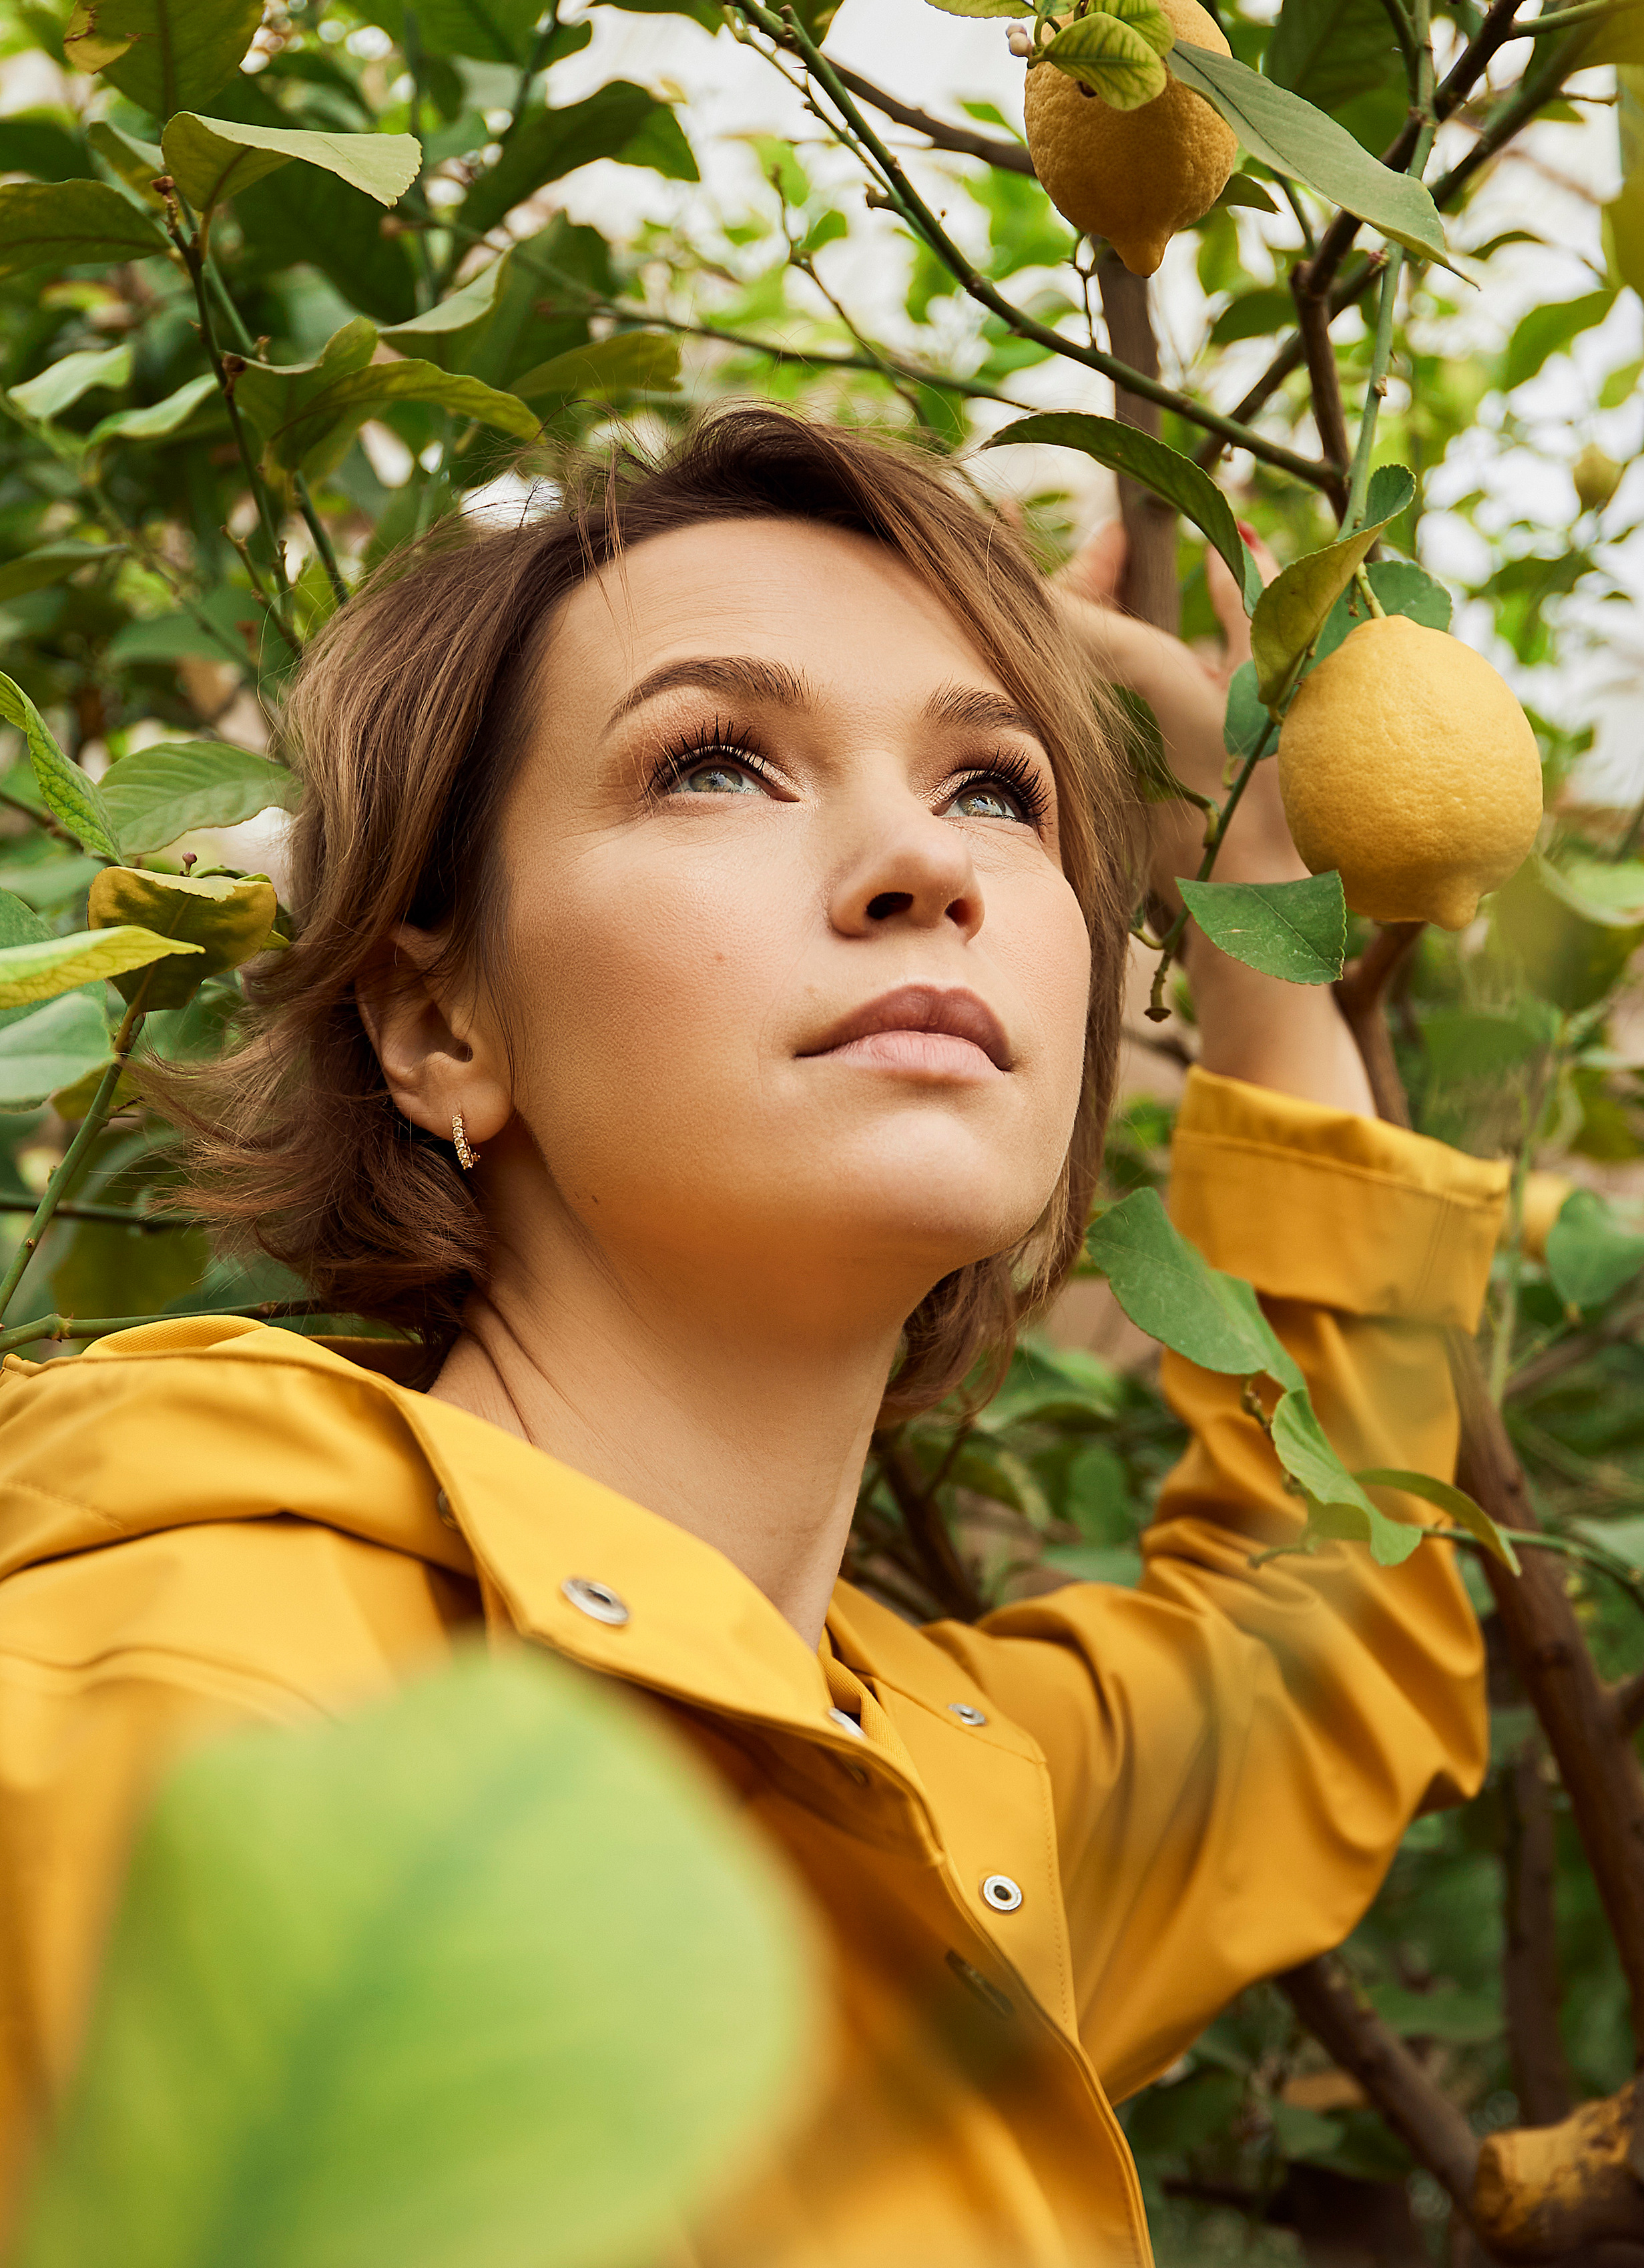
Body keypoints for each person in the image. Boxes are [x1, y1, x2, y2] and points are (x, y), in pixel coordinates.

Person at [0, 409, 1506, 2264]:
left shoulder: (941, 1815)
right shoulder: (177, 1721)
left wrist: (1250, 864)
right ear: (440, 1024)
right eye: (715, 763)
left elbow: (1331, 1624)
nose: (926, 862)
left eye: (997, 791)